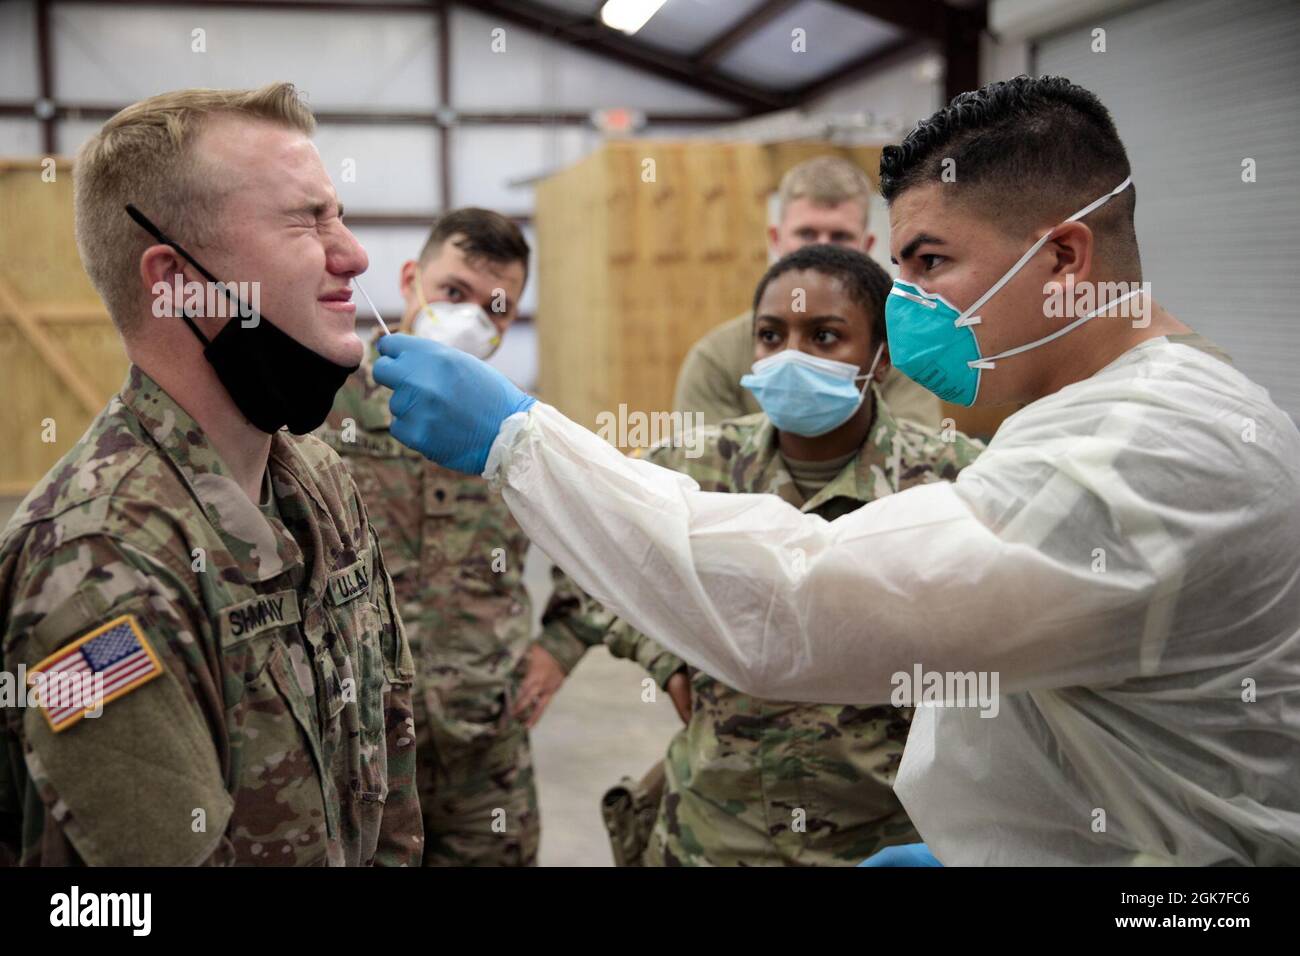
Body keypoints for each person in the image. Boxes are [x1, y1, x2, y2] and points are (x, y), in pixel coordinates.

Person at [372, 75, 1300, 865]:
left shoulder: (1150, 448)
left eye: (931, 263)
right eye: (898, 270)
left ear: (1063, 258)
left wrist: (520, 439)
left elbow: (804, 601)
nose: (906, 311)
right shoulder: (1100, 413)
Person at [0, 83, 420, 866]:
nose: (353, 254)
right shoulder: (94, 567)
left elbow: (389, 763)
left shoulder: (320, 482)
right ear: (175, 277)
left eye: (337, 213)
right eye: (306, 219)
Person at [604, 245, 982, 866]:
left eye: (825, 336)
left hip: (889, 831)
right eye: (771, 335)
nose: (790, 357)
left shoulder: (951, 478)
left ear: (880, 359)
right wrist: (664, 656)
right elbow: (598, 557)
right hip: (720, 829)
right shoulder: (691, 468)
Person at [317, 208, 599, 866]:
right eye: (454, 293)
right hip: (358, 753)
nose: (473, 317)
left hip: (484, 755)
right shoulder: (327, 411)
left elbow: (598, 542)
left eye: (496, 307)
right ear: (412, 280)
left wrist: (562, 643)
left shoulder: (529, 430)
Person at [673, 155, 940, 429]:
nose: (821, 249)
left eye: (840, 236)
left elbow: (917, 458)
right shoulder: (717, 358)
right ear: (776, 239)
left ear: (866, 244)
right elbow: (698, 462)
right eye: (807, 234)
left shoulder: (900, 352)